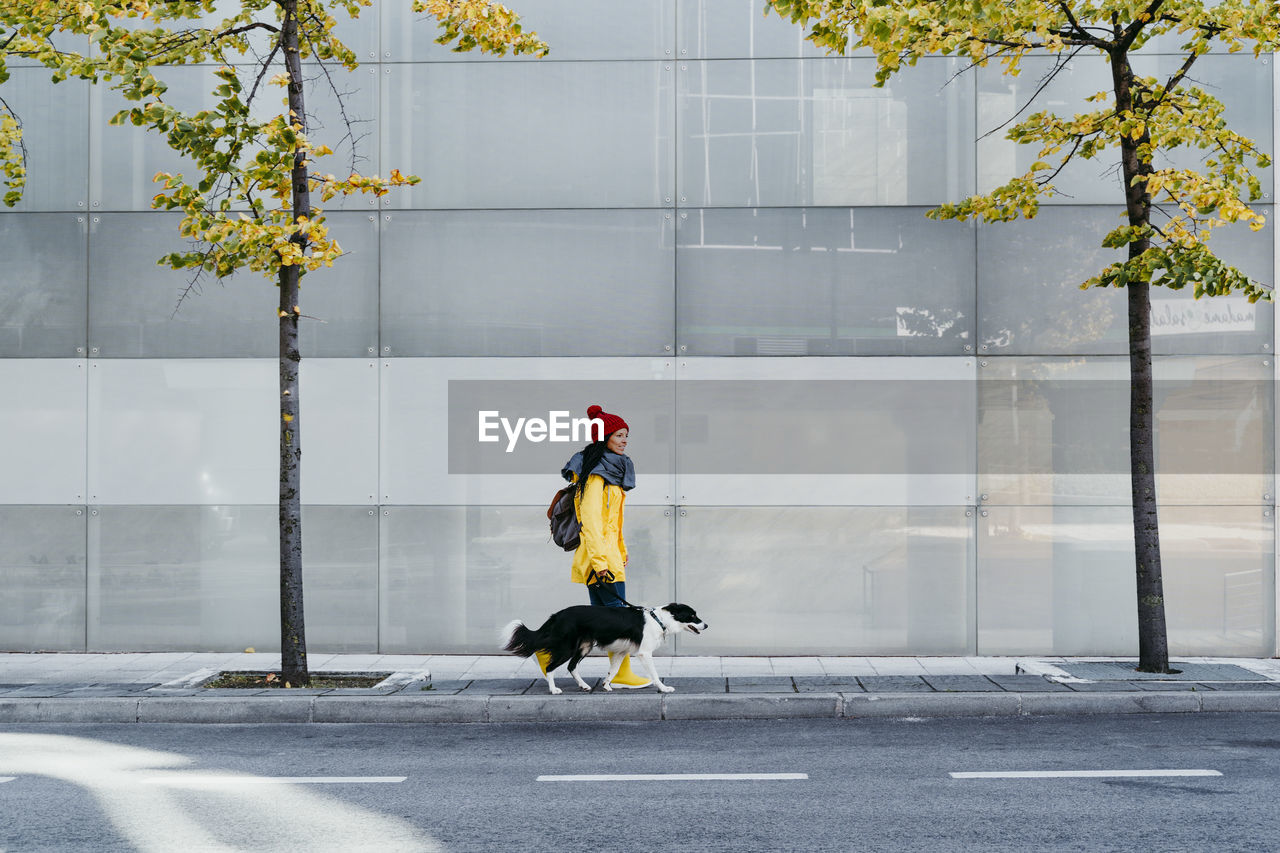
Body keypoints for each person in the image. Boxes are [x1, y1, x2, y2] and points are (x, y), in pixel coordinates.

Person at [546, 403, 651, 688]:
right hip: (600, 560)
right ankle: (622, 674)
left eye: (626, 435)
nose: (625, 440)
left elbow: (613, 523)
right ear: (604, 437)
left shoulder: (611, 473)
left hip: (608, 557)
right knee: (619, 619)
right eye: (619, 435)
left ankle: (550, 655)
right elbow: (591, 523)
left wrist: (621, 549)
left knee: (601, 621)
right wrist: (602, 563)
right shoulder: (595, 477)